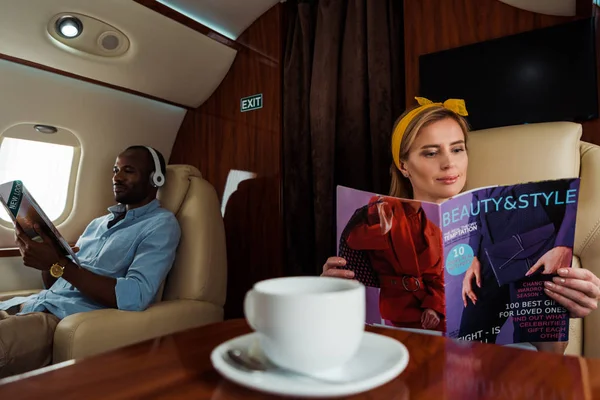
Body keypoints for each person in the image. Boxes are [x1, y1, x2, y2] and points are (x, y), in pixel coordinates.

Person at [322, 96, 600, 353]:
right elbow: (343, 335)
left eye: (457, 149)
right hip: (403, 357)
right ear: (404, 165)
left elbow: (549, 353)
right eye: (431, 153)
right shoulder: (371, 216)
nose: (449, 163)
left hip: (490, 370)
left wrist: (561, 307)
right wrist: (325, 297)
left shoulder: (507, 221)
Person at [0, 146, 181, 378]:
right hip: (33, 303)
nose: (117, 177)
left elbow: (136, 296)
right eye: (115, 170)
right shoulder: (98, 224)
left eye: (128, 170)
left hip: (62, 318)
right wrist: (47, 259)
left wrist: (59, 264)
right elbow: (54, 284)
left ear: (155, 179)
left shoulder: (161, 225)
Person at [343, 195, 446, 332]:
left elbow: (437, 277)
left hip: (428, 309)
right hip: (398, 307)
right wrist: (382, 230)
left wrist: (434, 307)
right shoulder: (384, 206)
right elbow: (353, 239)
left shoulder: (434, 230)